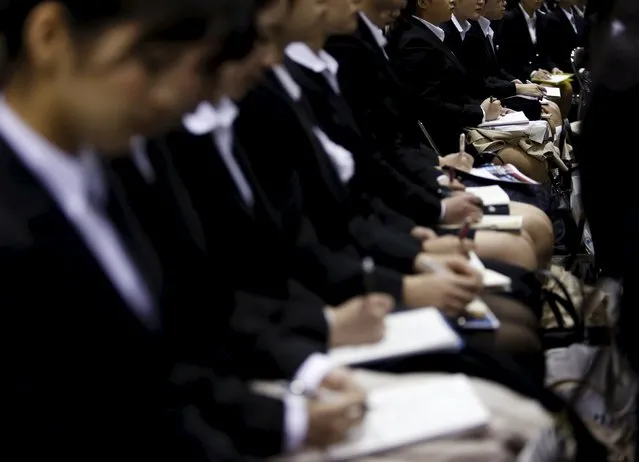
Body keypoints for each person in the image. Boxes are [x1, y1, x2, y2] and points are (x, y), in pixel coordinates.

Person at [0, 0, 283, 460]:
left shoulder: (108, 170)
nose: (168, 96)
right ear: (50, 36)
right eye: (149, 65)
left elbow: (155, 381)